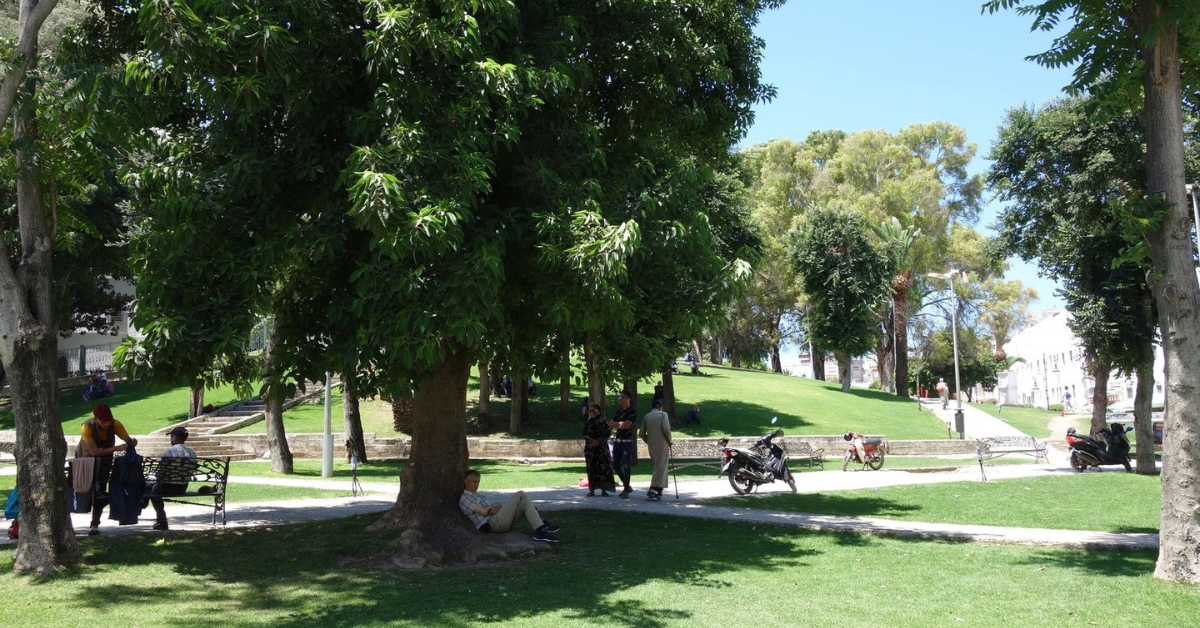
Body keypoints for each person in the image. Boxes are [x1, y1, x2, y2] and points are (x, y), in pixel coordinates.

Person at [80, 404, 138, 536]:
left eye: (109, 420)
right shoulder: (87, 426)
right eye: (103, 420)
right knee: (84, 492)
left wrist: (132, 442)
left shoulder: (116, 424)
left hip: (105, 464)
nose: (107, 423)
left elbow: (128, 440)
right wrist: (116, 449)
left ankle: (94, 523)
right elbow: (94, 451)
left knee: (100, 490)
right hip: (87, 463)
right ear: (96, 419)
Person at [459, 469, 560, 542]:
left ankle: (540, 530)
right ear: (466, 482)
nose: (476, 484)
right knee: (520, 494)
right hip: (491, 524)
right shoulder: (464, 498)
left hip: (500, 520)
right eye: (474, 482)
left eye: (478, 482)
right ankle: (541, 524)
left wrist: (494, 507)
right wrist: (493, 507)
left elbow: (496, 508)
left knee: (523, 501)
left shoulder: (479, 496)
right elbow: (484, 512)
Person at [146, 426, 197, 531]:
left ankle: (162, 522)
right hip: (182, 487)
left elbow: (160, 474)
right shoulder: (192, 453)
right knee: (151, 486)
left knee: (151, 489)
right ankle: (143, 502)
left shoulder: (168, 452)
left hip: (167, 488)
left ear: (174, 437)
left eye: (171, 437)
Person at [639, 399, 672, 500]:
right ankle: (654, 489)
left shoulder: (647, 416)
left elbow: (641, 433)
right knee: (661, 466)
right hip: (662, 444)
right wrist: (669, 441)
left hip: (652, 445)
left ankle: (659, 488)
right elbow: (666, 429)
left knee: (658, 465)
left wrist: (648, 441)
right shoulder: (663, 415)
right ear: (659, 406)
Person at [608, 390, 638, 498]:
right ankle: (627, 486)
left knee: (626, 466)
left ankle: (626, 490)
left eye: (622, 397)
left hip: (626, 442)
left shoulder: (632, 412)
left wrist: (619, 424)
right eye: (619, 397)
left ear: (628, 399)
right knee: (615, 465)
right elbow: (610, 423)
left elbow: (627, 425)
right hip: (617, 442)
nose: (619, 399)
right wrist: (619, 424)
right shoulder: (618, 412)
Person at [582, 404, 616, 497]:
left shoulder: (603, 422)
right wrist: (591, 441)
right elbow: (584, 434)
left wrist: (599, 440)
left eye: (595, 411)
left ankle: (604, 490)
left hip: (602, 450)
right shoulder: (588, 422)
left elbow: (607, 433)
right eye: (591, 411)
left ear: (599, 411)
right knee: (592, 469)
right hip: (590, 450)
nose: (593, 413)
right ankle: (592, 490)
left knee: (604, 469)